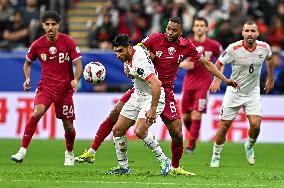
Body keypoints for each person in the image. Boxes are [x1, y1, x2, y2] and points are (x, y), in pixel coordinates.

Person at [75, 17, 239, 175]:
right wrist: (127, 63)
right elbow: (136, 48)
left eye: (174, 30)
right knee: (116, 117)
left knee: (177, 134)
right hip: (143, 87)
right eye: (168, 28)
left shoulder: (186, 45)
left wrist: (224, 79)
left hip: (163, 91)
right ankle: (102, 154)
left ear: (181, 32)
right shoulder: (154, 38)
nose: (169, 32)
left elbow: (206, 63)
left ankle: (175, 167)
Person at [11, 10, 83, 166]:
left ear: (58, 25)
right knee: (37, 112)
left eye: (53, 24)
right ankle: (22, 150)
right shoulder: (37, 44)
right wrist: (28, 78)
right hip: (46, 87)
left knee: (68, 125)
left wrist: (76, 79)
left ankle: (69, 152)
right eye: (47, 24)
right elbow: (27, 63)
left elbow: (78, 63)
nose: (50, 27)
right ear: (43, 26)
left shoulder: (68, 42)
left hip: (64, 90)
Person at [209, 20, 274, 168]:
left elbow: (270, 60)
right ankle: (216, 155)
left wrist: (271, 79)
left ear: (258, 33)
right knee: (225, 125)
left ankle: (249, 146)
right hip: (234, 92)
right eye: (247, 31)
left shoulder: (264, 48)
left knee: (256, 124)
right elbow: (219, 62)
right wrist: (217, 80)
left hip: (252, 92)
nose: (250, 34)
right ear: (242, 32)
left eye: (253, 31)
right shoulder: (234, 48)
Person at [103, 34, 171, 175]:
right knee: (117, 130)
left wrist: (153, 109)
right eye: (115, 51)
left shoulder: (139, 63)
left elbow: (157, 84)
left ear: (129, 48)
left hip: (153, 95)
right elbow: (145, 50)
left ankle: (164, 160)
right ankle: (123, 167)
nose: (117, 54)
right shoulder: (135, 50)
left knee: (139, 131)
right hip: (138, 94)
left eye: (120, 51)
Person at [179, 17, 222, 153]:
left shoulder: (214, 45)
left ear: (206, 28)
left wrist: (217, 79)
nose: (199, 28)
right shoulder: (187, 42)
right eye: (196, 25)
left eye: (202, 25)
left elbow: (222, 61)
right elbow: (175, 59)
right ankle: (194, 136)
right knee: (185, 116)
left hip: (204, 83)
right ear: (193, 28)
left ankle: (191, 145)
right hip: (188, 83)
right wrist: (182, 64)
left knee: (196, 115)